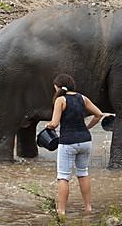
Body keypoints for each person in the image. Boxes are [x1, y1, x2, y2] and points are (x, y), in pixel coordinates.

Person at [45, 74, 103, 215]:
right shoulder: (82, 98)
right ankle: (88, 207)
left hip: (68, 142)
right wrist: (87, 128)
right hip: (85, 140)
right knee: (83, 173)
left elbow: (54, 123)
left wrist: (48, 126)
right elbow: (99, 114)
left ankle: (61, 210)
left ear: (58, 86)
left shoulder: (60, 100)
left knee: (63, 176)